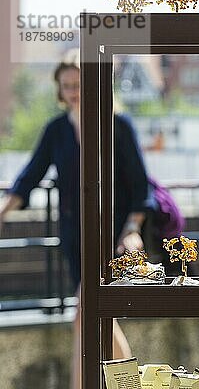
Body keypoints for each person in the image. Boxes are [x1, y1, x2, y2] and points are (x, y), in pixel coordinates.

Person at [0, 49, 152, 389]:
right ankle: (128, 385)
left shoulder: (118, 125)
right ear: (59, 89)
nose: (73, 91)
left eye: (79, 84)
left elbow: (141, 185)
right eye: (66, 85)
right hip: (76, 238)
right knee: (98, 317)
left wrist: (132, 228)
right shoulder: (56, 130)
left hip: (114, 236)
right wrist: (3, 211)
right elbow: (30, 176)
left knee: (86, 315)